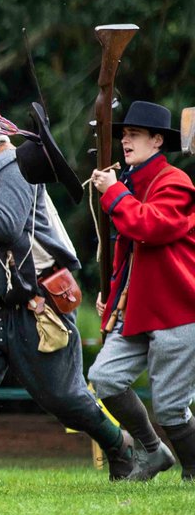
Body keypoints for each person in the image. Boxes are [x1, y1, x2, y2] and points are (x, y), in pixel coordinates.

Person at [0, 85, 132, 484]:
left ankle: (121, 446)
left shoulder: (10, 165)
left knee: (63, 398)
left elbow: (6, 224)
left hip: (31, 304)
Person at [89, 101, 195, 482]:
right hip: (138, 310)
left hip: (177, 310)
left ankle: (194, 470)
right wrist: (115, 295)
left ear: (156, 141)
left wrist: (116, 192)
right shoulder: (131, 183)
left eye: (133, 134)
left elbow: (150, 228)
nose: (124, 140)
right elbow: (131, 254)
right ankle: (153, 452)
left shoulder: (175, 182)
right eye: (123, 134)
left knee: (170, 409)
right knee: (104, 378)